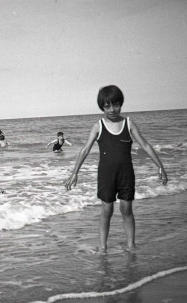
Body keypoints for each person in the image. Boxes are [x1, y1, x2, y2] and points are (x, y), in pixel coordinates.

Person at [63, 85, 170, 253]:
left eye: (116, 104)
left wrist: (160, 167)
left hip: (126, 174)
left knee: (126, 209)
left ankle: (131, 245)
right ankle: (103, 247)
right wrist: (74, 173)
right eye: (107, 106)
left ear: (121, 104)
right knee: (107, 209)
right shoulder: (98, 126)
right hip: (106, 175)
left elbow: (145, 145)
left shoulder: (128, 123)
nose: (112, 109)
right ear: (102, 107)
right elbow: (85, 150)